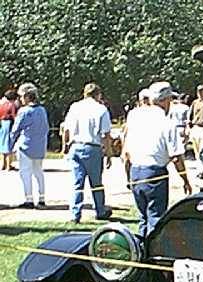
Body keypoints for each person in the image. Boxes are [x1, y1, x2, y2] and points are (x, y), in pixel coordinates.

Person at [123, 81, 192, 236]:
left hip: (135, 171)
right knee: (156, 217)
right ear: (165, 100)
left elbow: (126, 153)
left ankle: (141, 248)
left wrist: (128, 176)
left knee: (142, 217)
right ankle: (153, 253)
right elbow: (176, 157)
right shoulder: (167, 123)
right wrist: (185, 180)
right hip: (154, 173)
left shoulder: (134, 116)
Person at [62, 82, 113, 223]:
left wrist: (65, 146)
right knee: (96, 182)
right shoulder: (101, 109)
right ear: (98, 94)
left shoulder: (75, 107)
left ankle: (75, 213)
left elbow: (66, 128)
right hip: (93, 147)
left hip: (76, 145)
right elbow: (105, 134)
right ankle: (100, 210)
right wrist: (108, 153)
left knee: (77, 183)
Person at [9, 83, 49, 208]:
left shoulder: (23, 111)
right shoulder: (42, 110)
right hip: (39, 146)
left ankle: (29, 199)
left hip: (25, 146)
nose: (20, 99)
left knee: (25, 172)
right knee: (38, 172)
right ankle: (42, 198)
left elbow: (15, 130)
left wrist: (11, 144)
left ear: (26, 97)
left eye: (21, 96)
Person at [0, 90, 18, 171]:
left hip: (3, 124)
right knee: (9, 144)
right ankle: (8, 165)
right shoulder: (12, 105)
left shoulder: (2, 104)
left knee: (3, 144)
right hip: (10, 124)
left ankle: (2, 165)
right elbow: (14, 115)